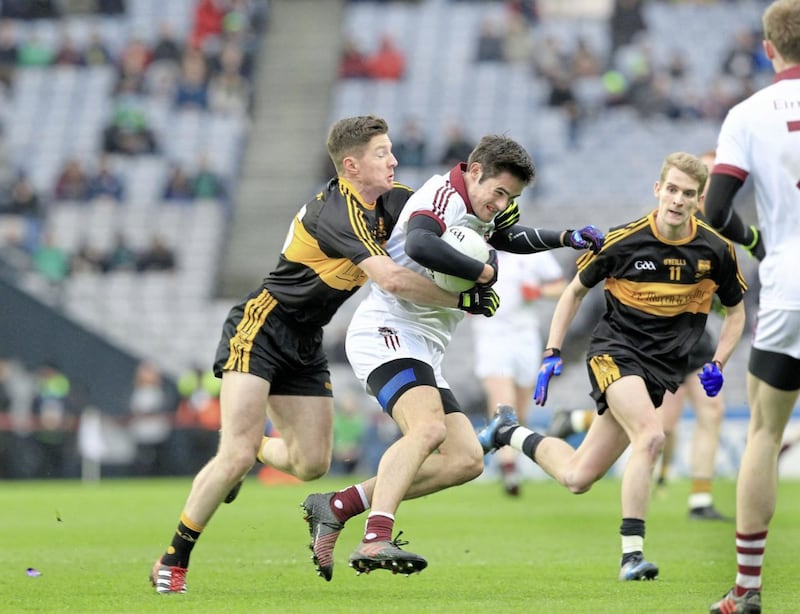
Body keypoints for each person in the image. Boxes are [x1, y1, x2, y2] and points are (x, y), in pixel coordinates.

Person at [149, 115, 474, 594]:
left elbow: (446, 207)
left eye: (390, 150)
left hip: (305, 343)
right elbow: (391, 279)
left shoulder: (394, 202)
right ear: (351, 165)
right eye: (381, 153)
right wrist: (465, 298)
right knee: (234, 455)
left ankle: (253, 448)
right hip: (260, 327)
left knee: (310, 465)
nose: (393, 159)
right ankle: (173, 561)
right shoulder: (335, 213)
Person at [302, 134, 604, 581]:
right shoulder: (440, 195)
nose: (502, 203)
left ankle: (338, 504)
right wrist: (482, 274)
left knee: (466, 458)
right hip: (387, 330)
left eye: (512, 197)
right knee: (426, 429)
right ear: (474, 171)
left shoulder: (488, 205)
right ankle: (375, 536)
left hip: (424, 343)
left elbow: (508, 235)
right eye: (498, 192)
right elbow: (422, 245)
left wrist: (566, 237)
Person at [479, 152, 747, 582]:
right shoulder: (623, 240)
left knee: (577, 476)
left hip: (662, 368)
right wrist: (552, 352)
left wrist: (719, 361)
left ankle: (507, 432)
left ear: (699, 201)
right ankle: (632, 554)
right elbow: (572, 293)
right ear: (658, 190)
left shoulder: (716, 251)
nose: (678, 200)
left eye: (689, 194)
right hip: (615, 353)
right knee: (652, 434)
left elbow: (735, 313)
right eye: (672, 189)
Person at [704, 2, 800, 611]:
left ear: (768, 49)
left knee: (765, 432)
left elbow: (714, 213)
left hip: (792, 285)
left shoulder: (746, 114)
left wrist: (761, 243)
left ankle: (747, 590)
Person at [656, 150, 732, 521]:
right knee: (661, 427)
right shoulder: (670, 219)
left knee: (711, 409)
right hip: (661, 338)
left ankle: (700, 499)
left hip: (697, 337)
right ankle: (578, 421)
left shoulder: (719, 230)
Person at [471, 249, 566, 496]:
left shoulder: (532, 252)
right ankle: (509, 469)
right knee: (504, 404)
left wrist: (539, 292)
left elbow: (562, 286)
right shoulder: (476, 250)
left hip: (525, 335)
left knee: (521, 412)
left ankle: (509, 457)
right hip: (492, 334)